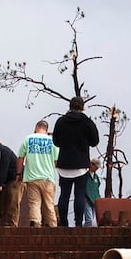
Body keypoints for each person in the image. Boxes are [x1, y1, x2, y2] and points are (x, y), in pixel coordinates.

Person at [51, 97, 100, 228]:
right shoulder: (87, 122)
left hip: (64, 163)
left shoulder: (61, 121)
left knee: (64, 195)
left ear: (70, 106)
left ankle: (64, 224)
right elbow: (95, 141)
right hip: (81, 164)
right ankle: (78, 223)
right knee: (79, 194)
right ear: (82, 107)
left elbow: (55, 141)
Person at [17, 119, 59, 228]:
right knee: (49, 204)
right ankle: (52, 226)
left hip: (32, 177)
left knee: (34, 203)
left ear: (36, 127)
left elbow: (21, 157)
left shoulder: (28, 139)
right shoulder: (52, 142)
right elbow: (56, 161)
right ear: (46, 129)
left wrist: (19, 173)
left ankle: (36, 224)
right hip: (48, 178)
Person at [0, 138, 22, 226]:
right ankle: (5, 223)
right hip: (8, 178)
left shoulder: (3, 152)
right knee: (5, 202)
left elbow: (3, 169)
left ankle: (11, 224)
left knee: (12, 201)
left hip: (15, 178)